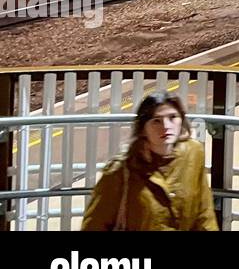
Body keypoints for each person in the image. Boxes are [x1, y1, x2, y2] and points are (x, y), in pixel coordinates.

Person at [82, 93, 218, 231]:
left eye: (172, 117)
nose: (166, 126)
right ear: (142, 129)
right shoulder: (120, 170)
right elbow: (94, 224)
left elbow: (204, 214)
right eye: (156, 121)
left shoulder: (193, 153)